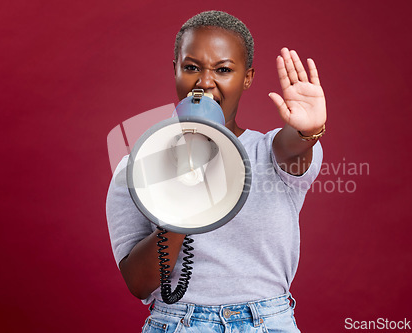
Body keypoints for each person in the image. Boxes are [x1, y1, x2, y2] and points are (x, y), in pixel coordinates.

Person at [106, 10, 327, 332]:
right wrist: (183, 202)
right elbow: (138, 283)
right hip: (178, 322)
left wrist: (310, 131)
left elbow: (294, 147)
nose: (205, 82)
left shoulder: (269, 151)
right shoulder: (137, 165)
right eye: (191, 67)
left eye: (223, 70)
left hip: (268, 321)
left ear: (247, 78)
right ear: (176, 71)